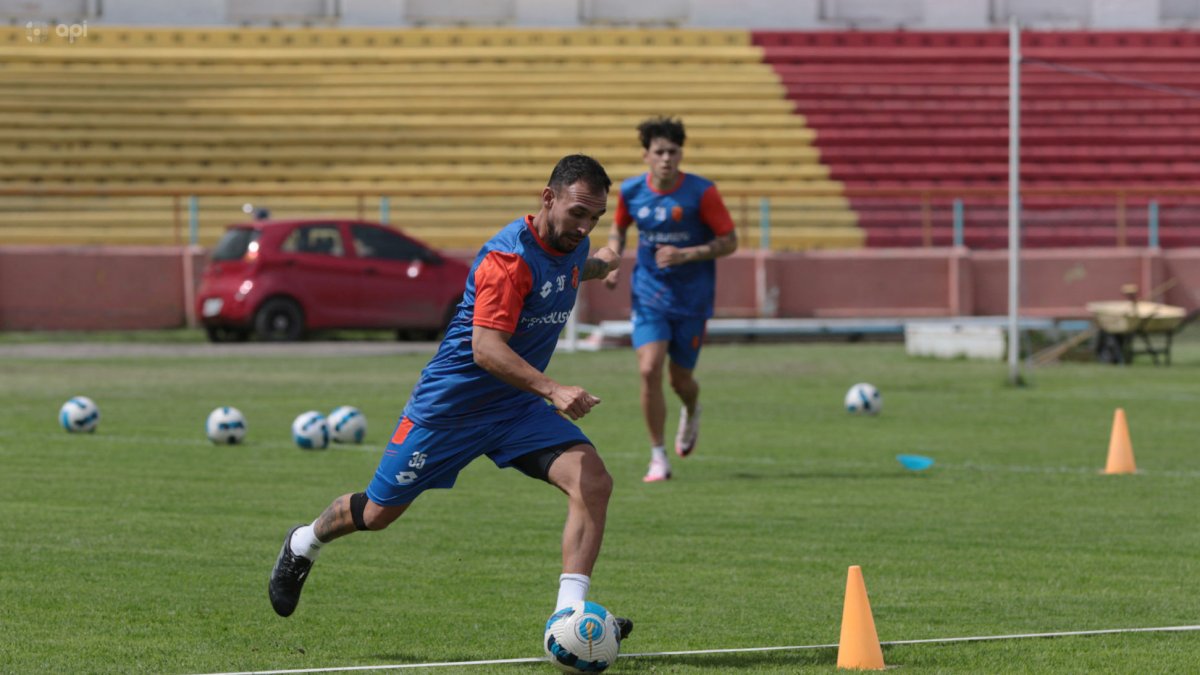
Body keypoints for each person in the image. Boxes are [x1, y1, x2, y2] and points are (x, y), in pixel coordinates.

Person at [268, 154, 632, 640]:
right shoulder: (508, 260)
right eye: (578, 213)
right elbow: (485, 349)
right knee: (377, 514)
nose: (584, 226)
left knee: (593, 481)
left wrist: (607, 257)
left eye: (595, 218)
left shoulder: (570, 248)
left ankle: (569, 616)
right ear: (548, 199)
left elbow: (577, 267)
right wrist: (553, 388)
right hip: (449, 410)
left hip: (513, 409)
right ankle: (304, 541)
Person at [603, 117, 738, 483]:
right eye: (659, 152)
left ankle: (691, 408)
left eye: (673, 152)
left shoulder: (701, 193)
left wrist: (686, 254)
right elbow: (618, 229)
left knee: (681, 381)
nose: (666, 158)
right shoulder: (631, 192)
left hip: (692, 298)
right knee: (649, 369)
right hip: (649, 293)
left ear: (681, 154)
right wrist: (612, 262)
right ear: (646, 155)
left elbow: (730, 241)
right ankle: (658, 457)